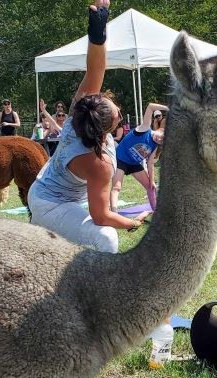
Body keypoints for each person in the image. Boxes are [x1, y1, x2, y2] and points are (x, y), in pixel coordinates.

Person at [28, 0, 151, 254]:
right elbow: (101, 217)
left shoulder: (79, 114)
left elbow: (96, 68)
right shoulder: (100, 163)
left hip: (44, 189)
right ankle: (99, 292)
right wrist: (132, 223)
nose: (114, 102)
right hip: (49, 204)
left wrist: (98, 32)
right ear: (110, 125)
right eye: (115, 106)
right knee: (106, 238)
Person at [110, 102, 168, 212]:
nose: (159, 140)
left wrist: (152, 181)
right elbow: (150, 106)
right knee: (117, 187)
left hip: (134, 164)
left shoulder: (155, 145)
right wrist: (168, 108)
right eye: (161, 137)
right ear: (160, 130)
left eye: (162, 141)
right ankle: (114, 212)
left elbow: (150, 164)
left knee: (151, 188)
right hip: (121, 159)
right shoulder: (145, 128)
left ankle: (155, 212)